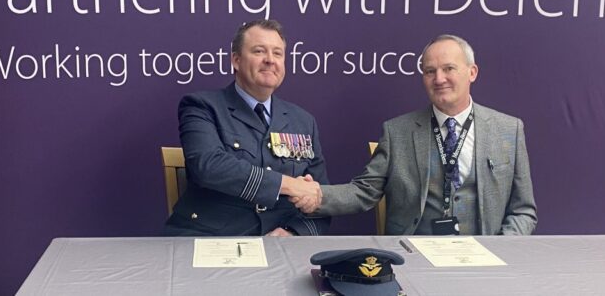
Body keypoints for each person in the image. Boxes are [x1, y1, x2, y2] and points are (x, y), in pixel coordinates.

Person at [295, 35, 536, 235]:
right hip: (413, 257)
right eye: (430, 71)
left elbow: (523, 211)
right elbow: (364, 191)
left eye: (448, 68)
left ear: (472, 72)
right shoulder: (397, 132)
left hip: (485, 263)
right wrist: (315, 195)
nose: (439, 79)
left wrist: (502, 249)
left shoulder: (509, 130)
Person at [164, 20, 328, 236]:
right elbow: (208, 166)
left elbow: (320, 198)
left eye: (277, 53)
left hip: (279, 245)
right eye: (259, 51)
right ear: (236, 60)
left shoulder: (303, 121)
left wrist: (293, 233)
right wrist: (286, 185)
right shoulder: (202, 106)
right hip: (213, 240)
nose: (270, 60)